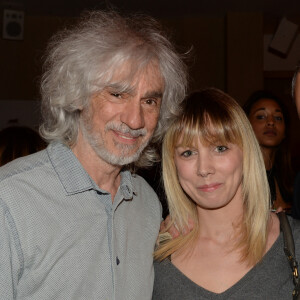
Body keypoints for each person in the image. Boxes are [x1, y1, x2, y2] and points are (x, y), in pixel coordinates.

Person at [0, 10, 187, 300]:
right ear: (77, 94)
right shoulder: (10, 199)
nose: (135, 120)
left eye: (149, 101)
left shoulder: (147, 203)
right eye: (117, 94)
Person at [153, 88, 300, 299]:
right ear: (172, 164)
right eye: (188, 153)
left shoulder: (293, 242)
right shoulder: (153, 258)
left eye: (220, 148)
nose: (204, 168)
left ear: (245, 151)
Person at [243, 90, 294, 213]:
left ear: (285, 132)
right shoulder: (236, 179)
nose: (271, 122)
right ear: (245, 125)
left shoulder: (291, 181)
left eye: (278, 118)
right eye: (261, 117)